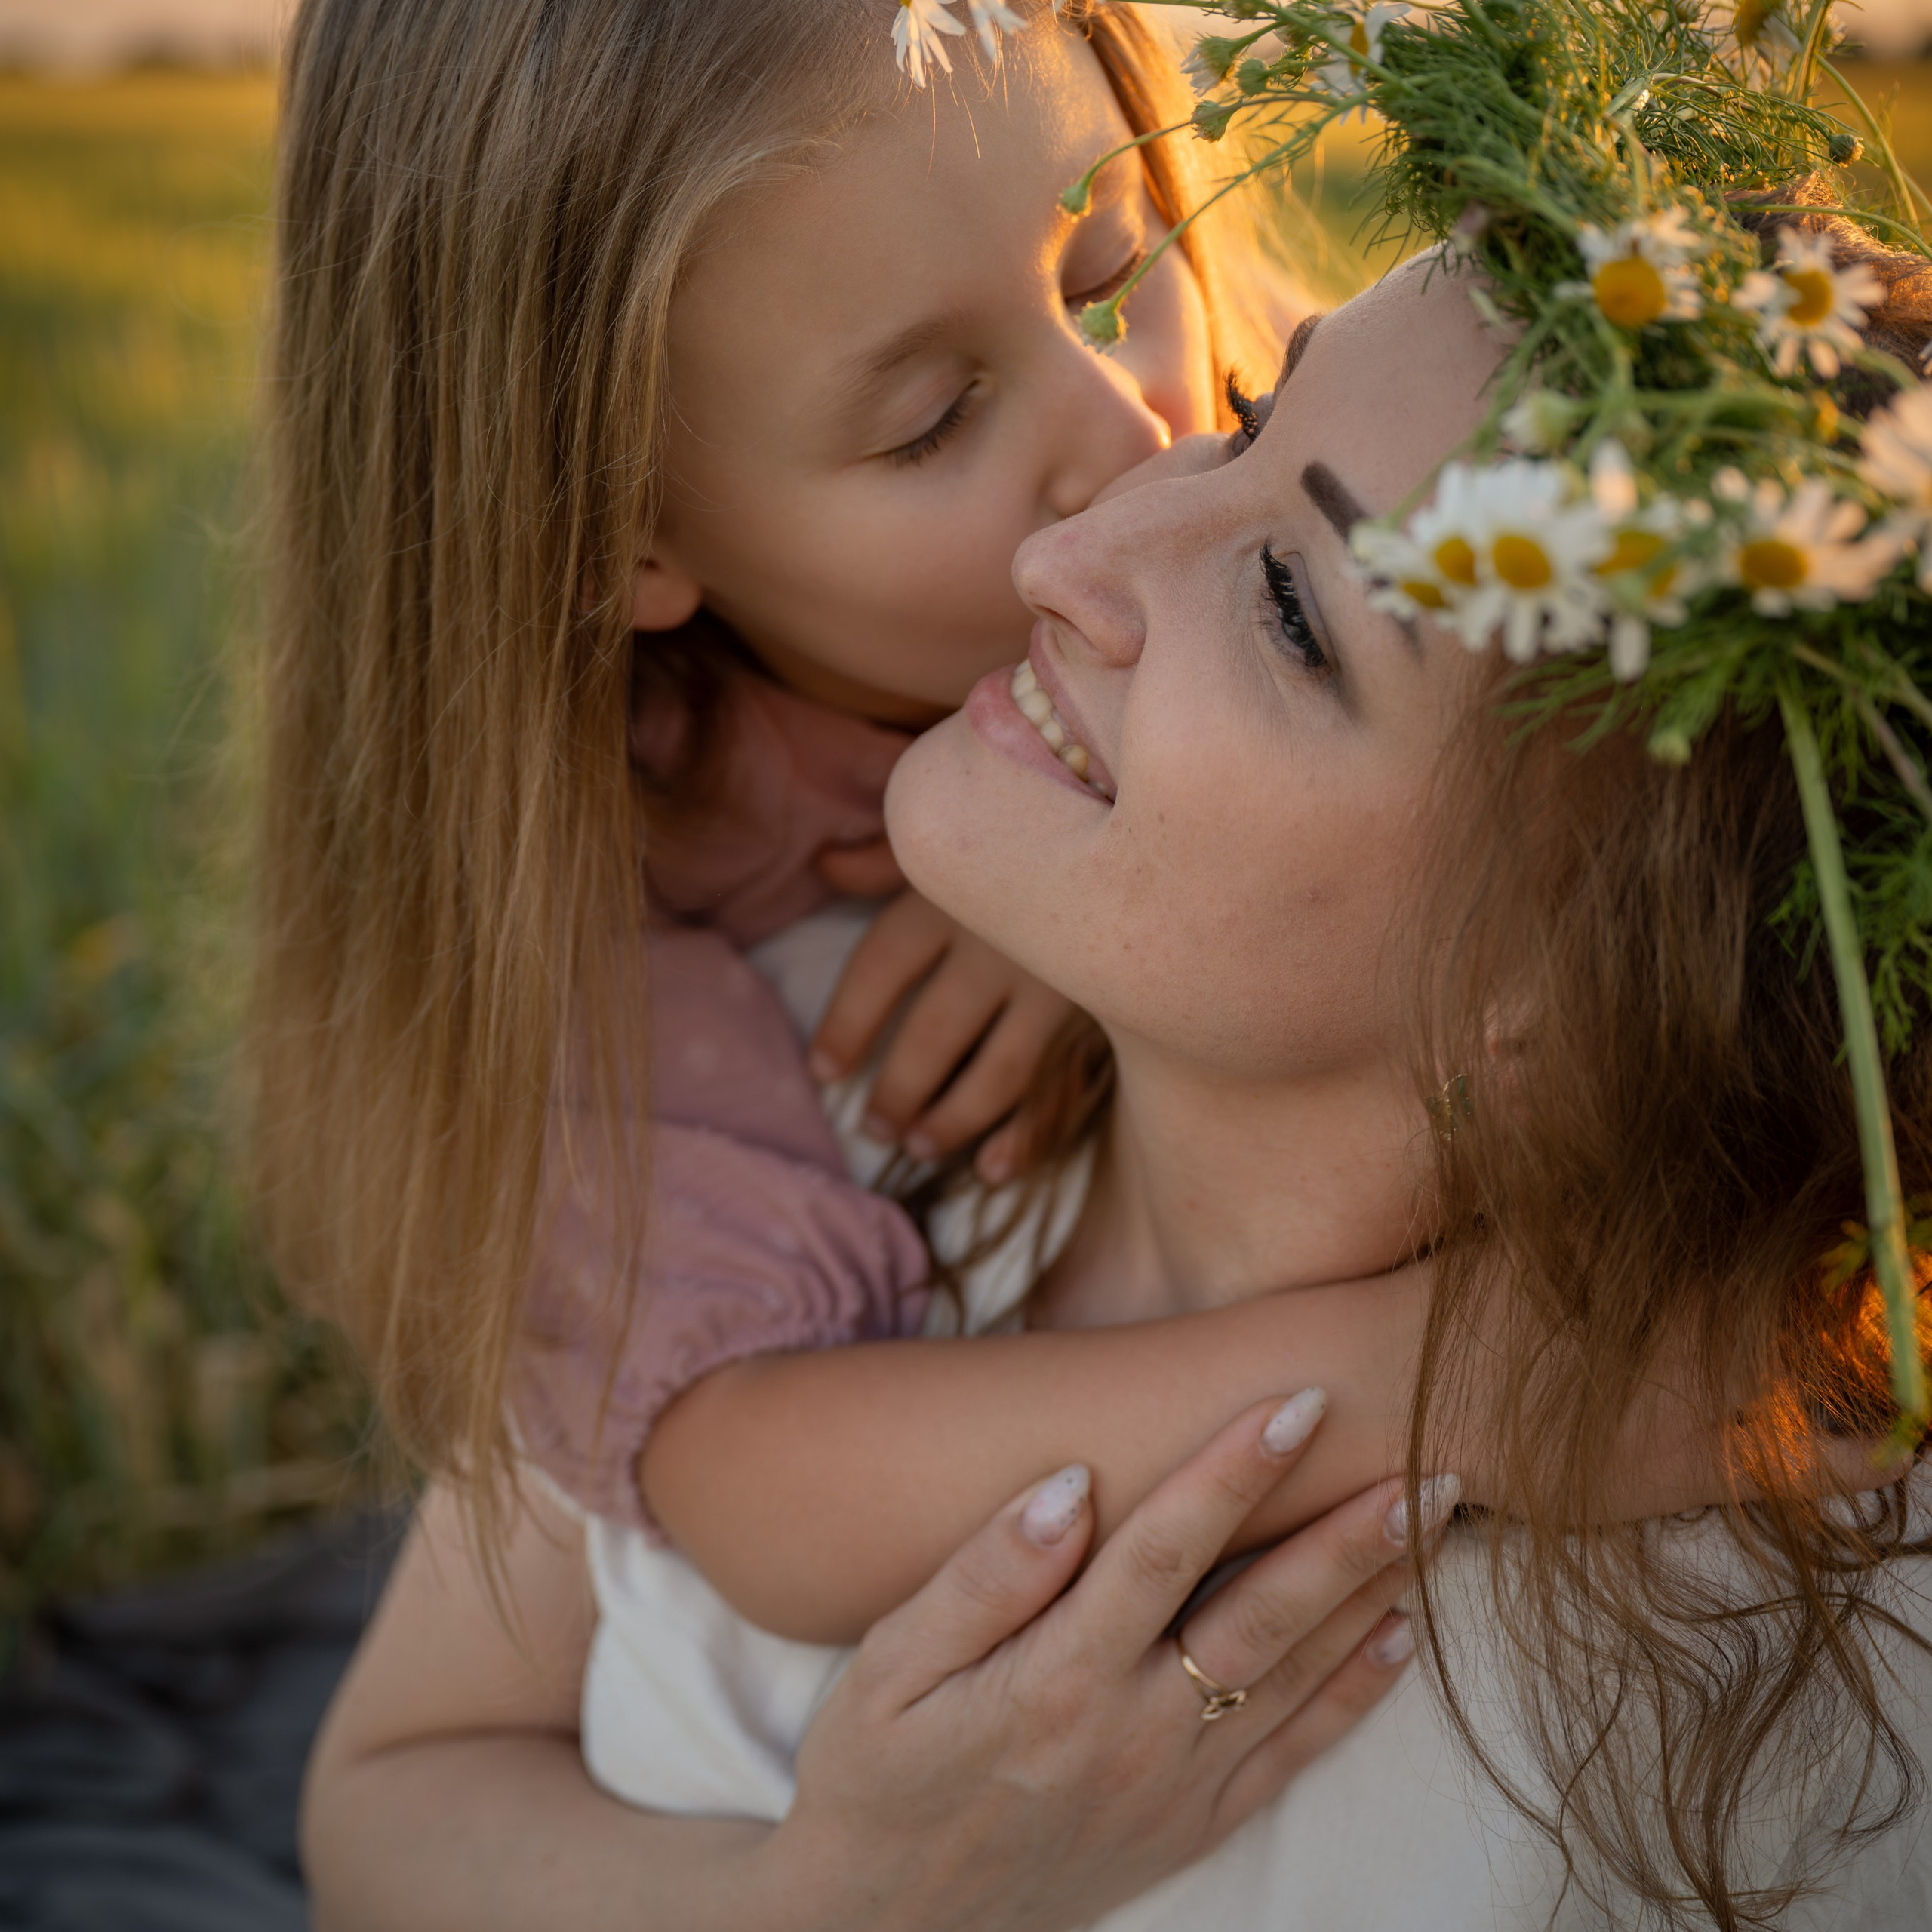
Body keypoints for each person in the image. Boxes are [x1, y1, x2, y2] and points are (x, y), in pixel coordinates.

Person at [308, 2, 1932, 1916]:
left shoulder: (1778, 1696)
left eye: (1277, 595)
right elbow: (405, 1780)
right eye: (924, 421)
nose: (1124, 478)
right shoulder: (737, 1028)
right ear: (618, 534)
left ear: (1596, 981)